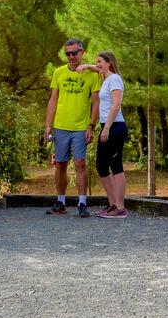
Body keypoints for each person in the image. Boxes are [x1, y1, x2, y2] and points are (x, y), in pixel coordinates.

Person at [44, 38, 101, 218]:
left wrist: (91, 126)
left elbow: (96, 102)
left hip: (80, 126)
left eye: (74, 53)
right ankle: (60, 201)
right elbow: (53, 100)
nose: (71, 57)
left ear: (82, 53)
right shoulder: (59, 72)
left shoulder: (92, 75)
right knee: (60, 164)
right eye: (67, 53)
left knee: (80, 163)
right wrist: (47, 125)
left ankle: (82, 202)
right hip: (61, 126)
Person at [80, 51, 128, 219]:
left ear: (109, 62)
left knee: (116, 166)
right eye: (96, 62)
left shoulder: (114, 79)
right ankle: (112, 204)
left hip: (115, 127)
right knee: (101, 165)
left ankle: (120, 208)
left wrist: (106, 128)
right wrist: (87, 66)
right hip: (108, 126)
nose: (97, 64)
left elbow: (116, 106)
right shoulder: (106, 77)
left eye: (100, 61)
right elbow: (97, 69)